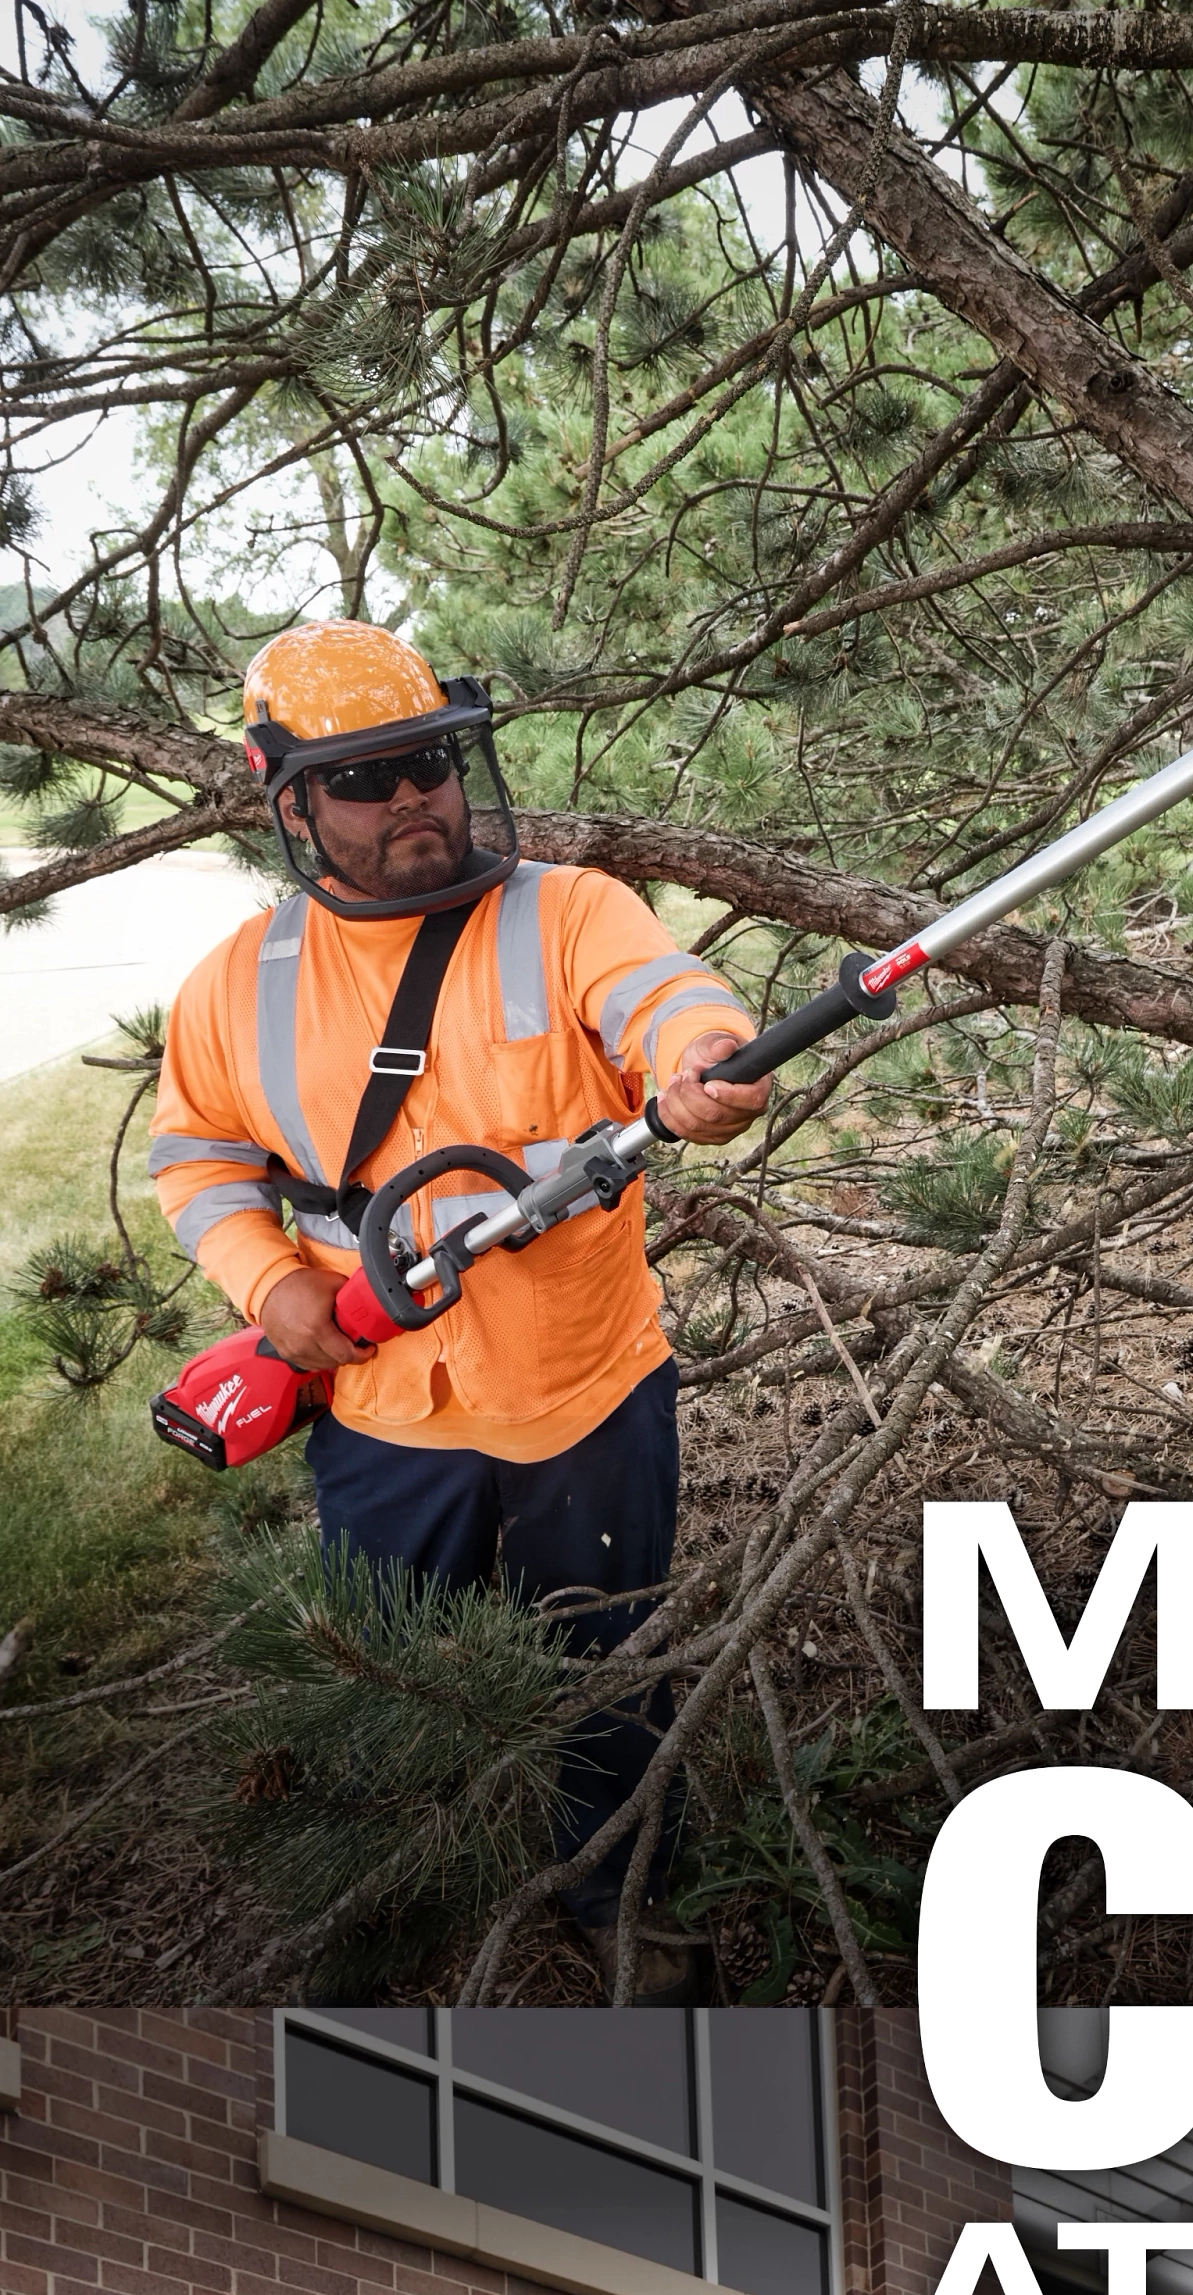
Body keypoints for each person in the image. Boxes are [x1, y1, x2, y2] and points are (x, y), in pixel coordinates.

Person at [149, 624, 774, 1940]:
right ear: (295, 801)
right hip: (381, 1410)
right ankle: (387, 1889)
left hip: (584, 1394)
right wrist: (270, 1289)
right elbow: (198, 1158)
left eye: (429, 762)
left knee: (609, 1660)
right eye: (367, 781)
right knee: (383, 1670)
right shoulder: (235, 986)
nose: (415, 800)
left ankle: (619, 1896)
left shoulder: (569, 913)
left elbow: (665, 996)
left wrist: (705, 1059)